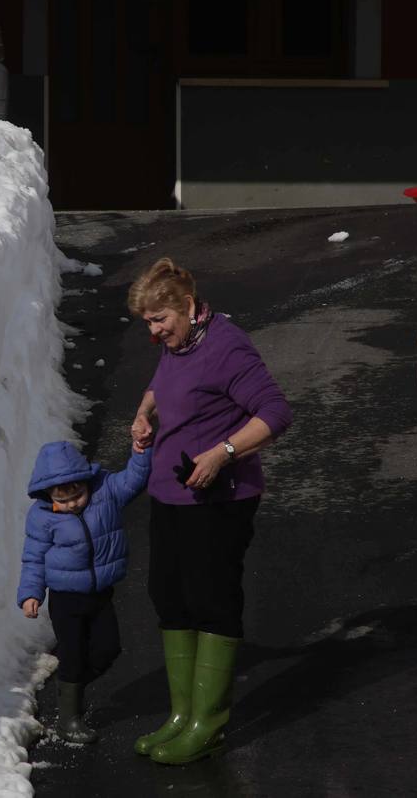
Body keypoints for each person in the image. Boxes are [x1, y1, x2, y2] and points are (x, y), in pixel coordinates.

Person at [126, 257, 292, 765]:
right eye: (148, 323)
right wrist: (143, 412)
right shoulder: (180, 343)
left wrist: (223, 453)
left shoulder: (226, 346)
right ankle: (181, 715)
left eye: (160, 321)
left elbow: (276, 413)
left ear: (188, 306)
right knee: (168, 595)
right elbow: (163, 382)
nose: (154, 333)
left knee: (210, 599)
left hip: (221, 499)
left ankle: (209, 724)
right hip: (170, 493)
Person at [17, 439, 152, 744]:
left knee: (108, 649)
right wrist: (31, 593)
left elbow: (134, 478)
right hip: (66, 599)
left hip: (100, 593)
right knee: (73, 654)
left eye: (78, 495)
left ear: (86, 482)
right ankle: (68, 719)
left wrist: (140, 452)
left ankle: (69, 686)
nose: (73, 504)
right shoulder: (41, 517)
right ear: (48, 494)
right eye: (63, 501)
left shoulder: (106, 492)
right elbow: (33, 558)